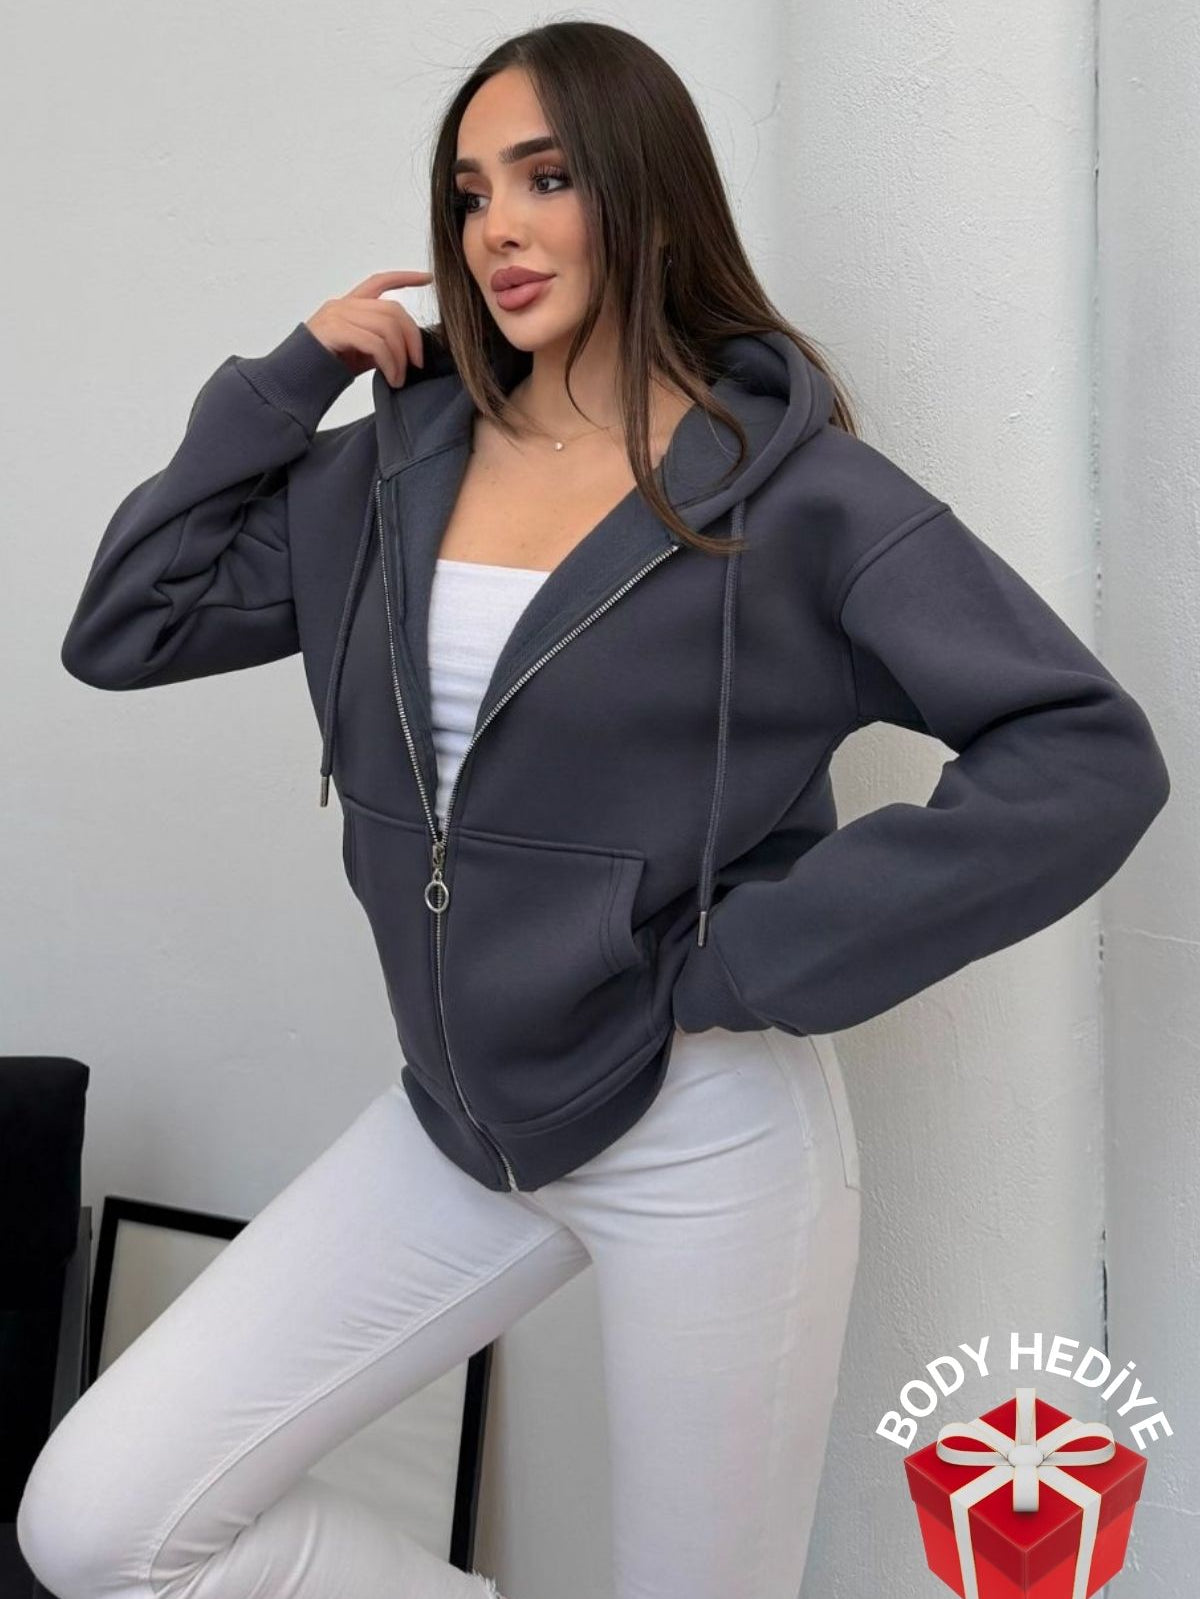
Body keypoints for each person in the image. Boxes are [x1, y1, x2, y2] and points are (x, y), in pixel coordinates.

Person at [18, 19, 1169, 1599]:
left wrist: (749, 961)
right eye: (471, 190)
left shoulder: (799, 498)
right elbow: (126, 626)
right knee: (99, 1521)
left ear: (648, 197)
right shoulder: (383, 474)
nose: (498, 225)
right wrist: (288, 385)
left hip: (706, 1128)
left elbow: (1084, 753)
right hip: (458, 1117)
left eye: (546, 178)